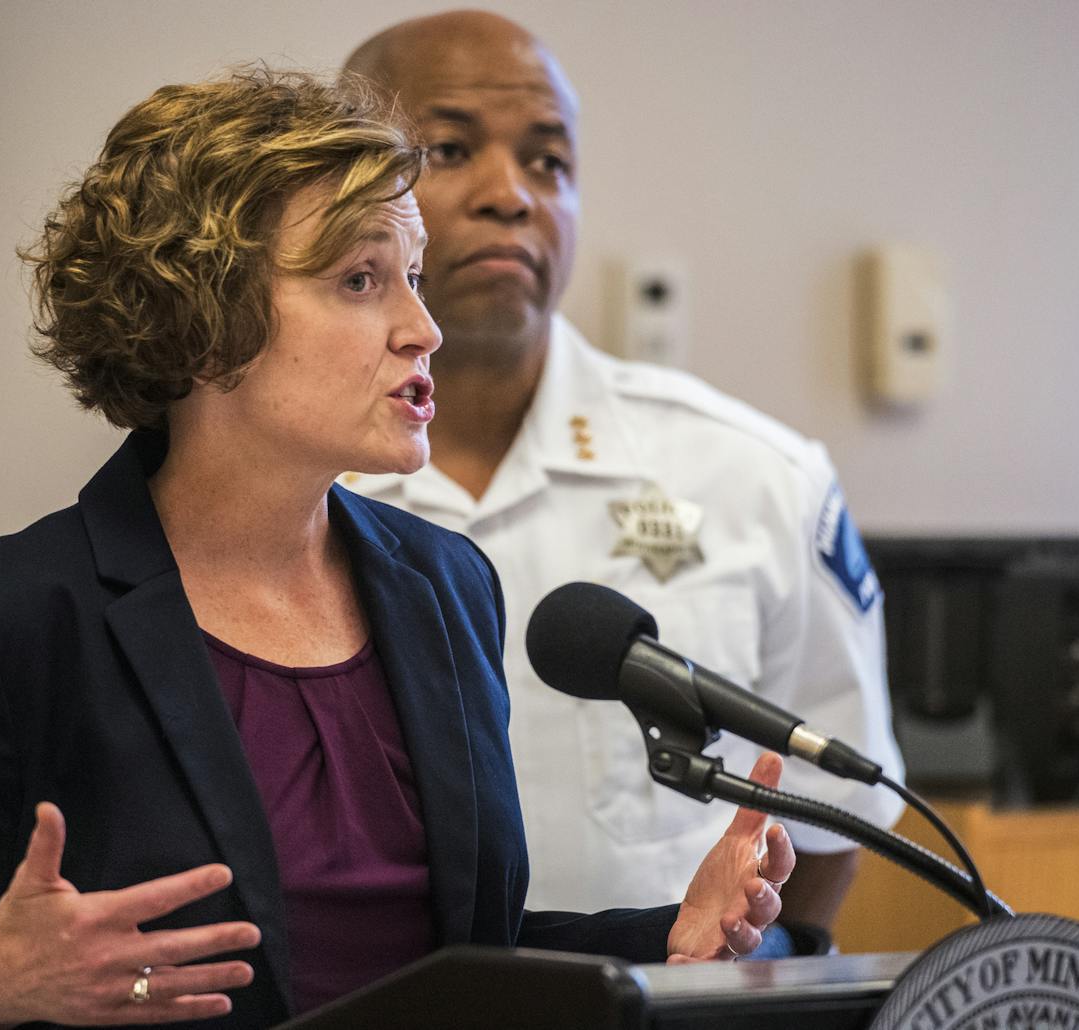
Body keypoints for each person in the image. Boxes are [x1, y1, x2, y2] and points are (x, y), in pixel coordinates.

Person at [0, 69, 795, 1030]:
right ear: (201, 316)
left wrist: (666, 936)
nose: (423, 328)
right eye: (360, 278)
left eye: (413, 277)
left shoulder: (446, 587)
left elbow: (447, 965)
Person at [341, 11, 905, 935]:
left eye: (549, 162)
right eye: (447, 149)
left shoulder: (755, 475)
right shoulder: (288, 490)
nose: (511, 194)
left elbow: (834, 810)